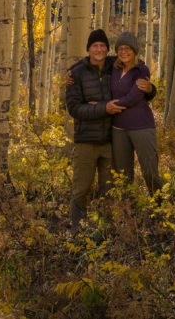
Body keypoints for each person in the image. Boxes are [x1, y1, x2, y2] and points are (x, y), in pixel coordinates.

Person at [65, 29, 155, 228]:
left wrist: (151, 89)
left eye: (102, 46)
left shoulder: (111, 67)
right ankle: (76, 230)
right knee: (81, 189)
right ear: (88, 49)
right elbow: (73, 108)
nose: (99, 49)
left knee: (110, 188)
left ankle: (108, 228)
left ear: (107, 50)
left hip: (108, 140)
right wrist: (103, 107)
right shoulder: (76, 73)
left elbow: (135, 64)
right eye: (95, 46)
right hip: (86, 140)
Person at [110, 32, 162, 194]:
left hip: (141, 127)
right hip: (118, 129)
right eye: (120, 48)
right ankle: (128, 212)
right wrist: (71, 72)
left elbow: (134, 97)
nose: (124, 52)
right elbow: (90, 60)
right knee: (123, 175)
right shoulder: (114, 67)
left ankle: (161, 207)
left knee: (150, 172)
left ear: (135, 51)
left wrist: (109, 106)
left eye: (128, 48)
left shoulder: (141, 69)